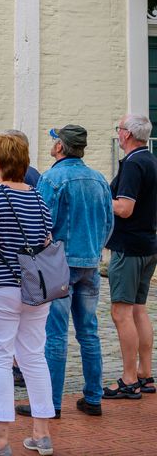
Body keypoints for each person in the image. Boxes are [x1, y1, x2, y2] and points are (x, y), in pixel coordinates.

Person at [0, 133, 55, 456]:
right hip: (35, 288)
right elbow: (46, 241)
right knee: (33, 356)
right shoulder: (37, 196)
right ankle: (42, 434)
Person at [16, 125, 113, 419]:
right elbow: (108, 223)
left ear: (61, 147)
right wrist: (95, 250)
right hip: (90, 262)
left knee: (54, 335)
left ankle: (51, 403)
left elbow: (40, 224)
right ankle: (93, 396)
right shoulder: (99, 179)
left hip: (59, 264)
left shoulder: (53, 178)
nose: (53, 144)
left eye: (56, 140)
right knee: (89, 332)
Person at [103, 113, 157, 400]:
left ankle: (128, 378)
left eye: (119, 128)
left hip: (129, 247)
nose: (118, 132)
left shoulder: (134, 164)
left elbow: (124, 208)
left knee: (121, 312)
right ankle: (145, 374)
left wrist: (101, 198)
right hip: (148, 244)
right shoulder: (150, 159)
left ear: (125, 134)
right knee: (138, 310)